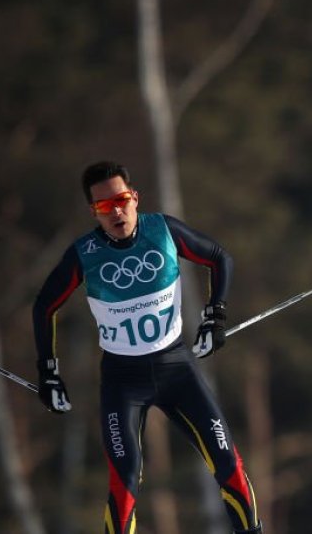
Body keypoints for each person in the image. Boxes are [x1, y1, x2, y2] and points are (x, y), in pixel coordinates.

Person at [32, 160, 261, 534]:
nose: (116, 211)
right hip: (124, 381)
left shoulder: (163, 231)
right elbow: (45, 305)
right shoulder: (84, 253)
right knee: (124, 482)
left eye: (121, 199)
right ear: (94, 211)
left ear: (134, 197)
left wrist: (214, 317)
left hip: (177, 368)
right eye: (104, 207)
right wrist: (48, 373)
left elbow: (220, 258)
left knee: (227, 463)